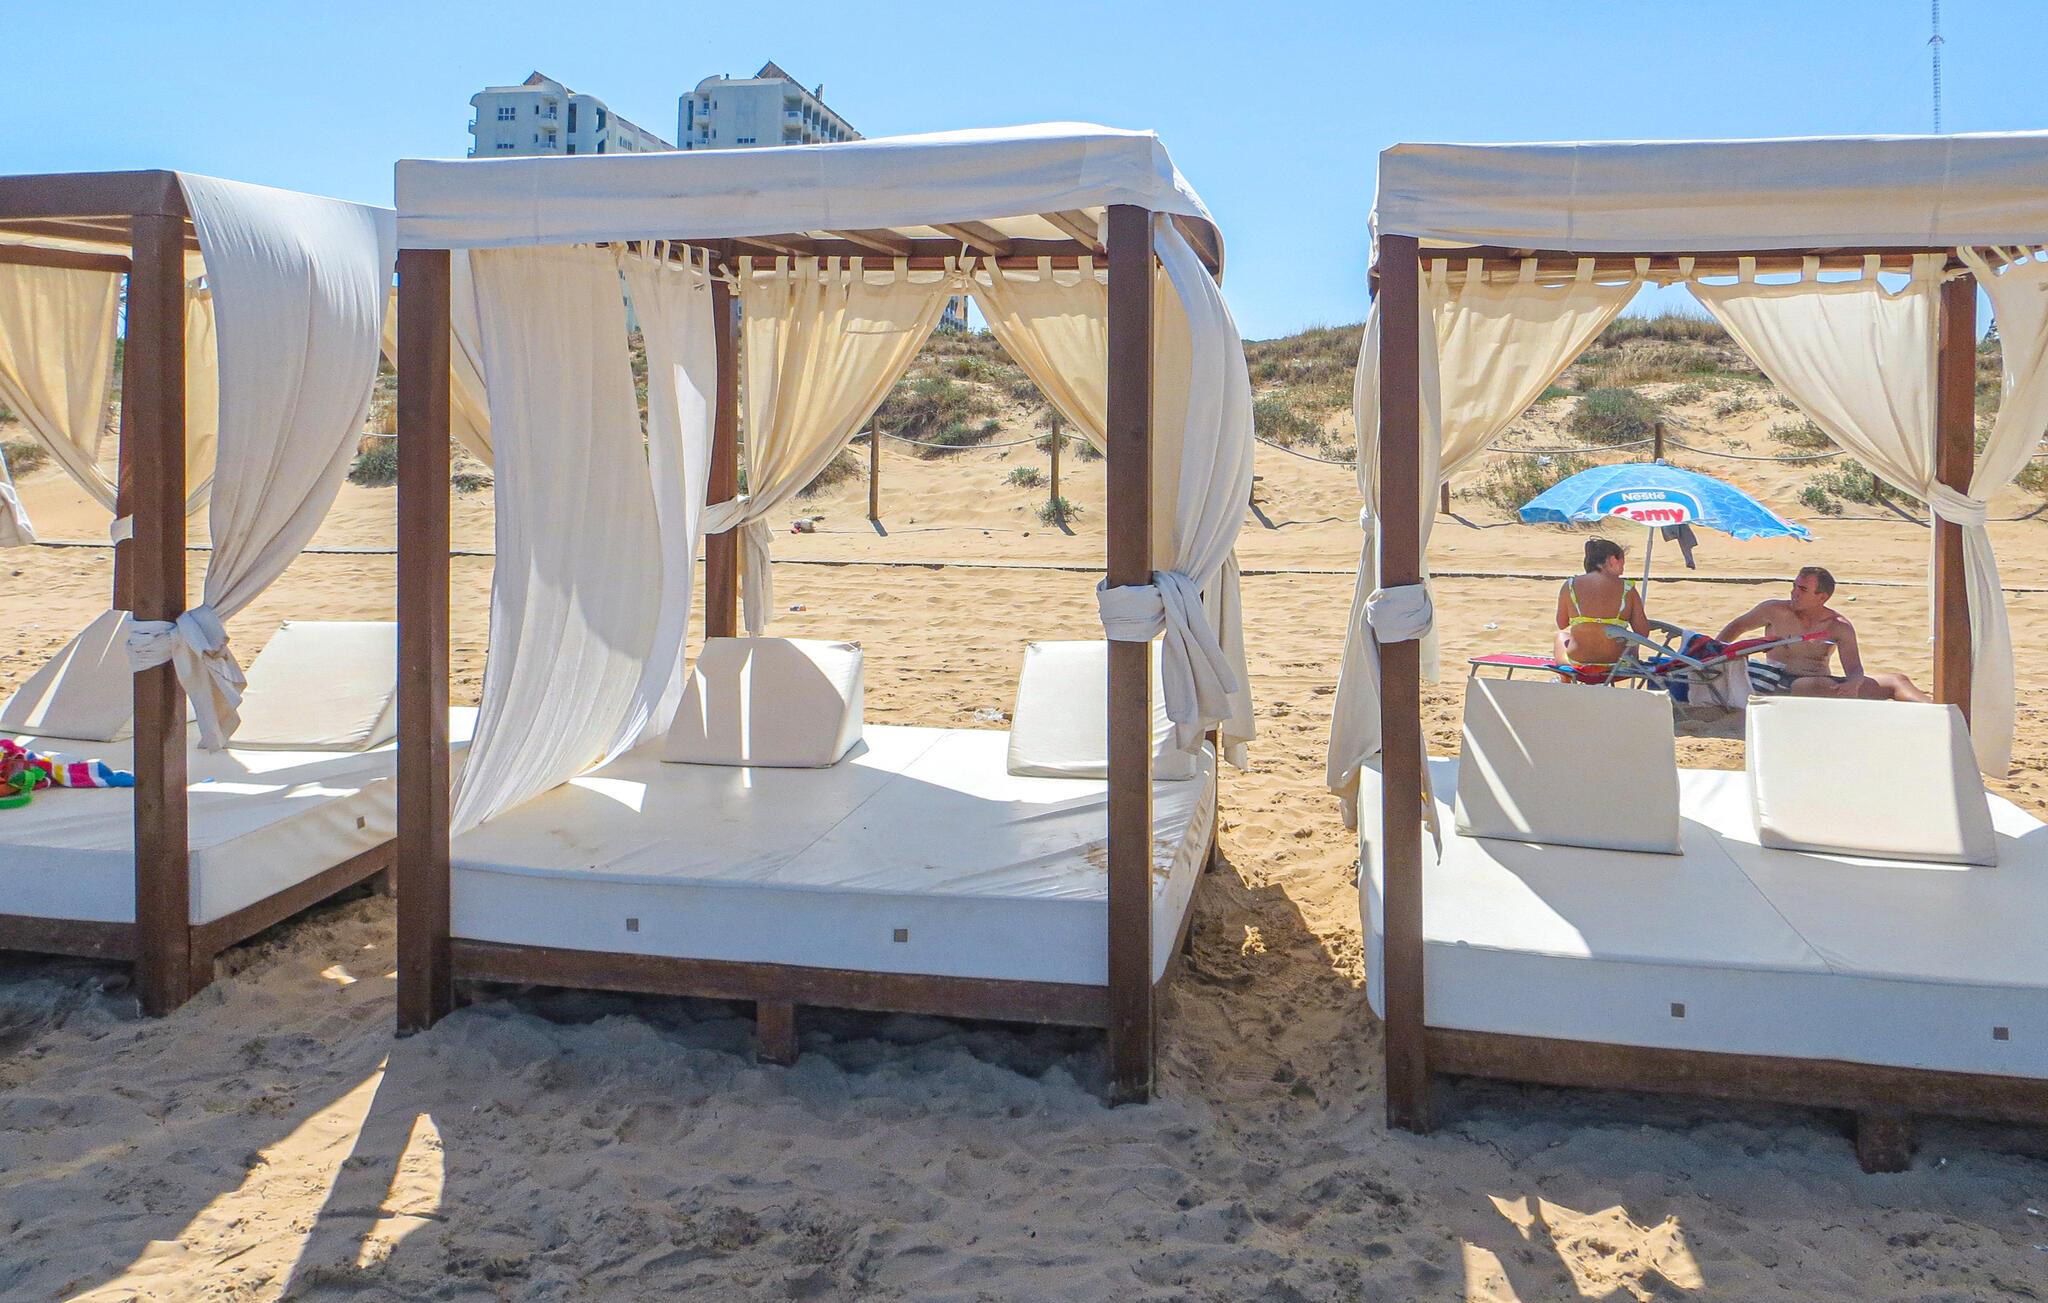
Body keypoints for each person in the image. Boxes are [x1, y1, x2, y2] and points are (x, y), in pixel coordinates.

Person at [1716, 566, 1931, 701]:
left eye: (1803, 590)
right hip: (1780, 682)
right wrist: (1712, 652)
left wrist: (1853, 683)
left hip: (1820, 683)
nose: (1794, 593)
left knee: (1896, 680)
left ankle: (1937, 711)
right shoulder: (1774, 610)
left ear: (1822, 597)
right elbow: (1737, 627)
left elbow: (1854, 668)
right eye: (1794, 586)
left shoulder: (1838, 626)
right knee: (1813, 685)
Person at [1556, 537, 1650, 669]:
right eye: (1622, 563)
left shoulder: (1570, 585)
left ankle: (1566, 676)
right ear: (1612, 560)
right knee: (1632, 642)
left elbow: (1561, 623)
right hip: (1616, 664)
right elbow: (1643, 632)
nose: (1622, 570)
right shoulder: (1627, 588)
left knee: (1561, 636)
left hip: (1579, 661)